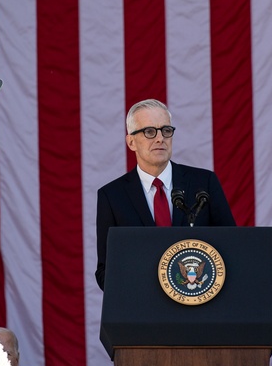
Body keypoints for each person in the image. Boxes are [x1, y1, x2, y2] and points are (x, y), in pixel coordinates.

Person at [95, 99, 236, 289]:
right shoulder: (112, 196)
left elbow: (232, 249)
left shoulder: (204, 184)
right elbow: (106, 271)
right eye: (150, 131)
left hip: (199, 306)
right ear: (131, 142)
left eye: (166, 131)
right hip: (143, 312)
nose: (160, 138)